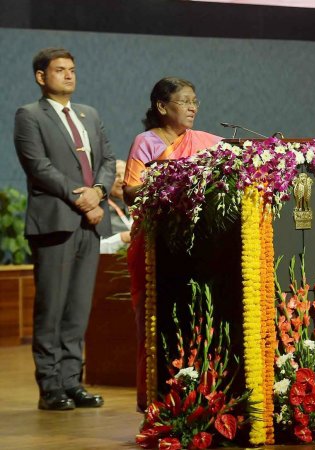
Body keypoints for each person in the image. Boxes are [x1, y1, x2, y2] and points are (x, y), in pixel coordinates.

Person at [14, 48, 115, 410]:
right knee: (51, 308)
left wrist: (100, 192)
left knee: (77, 309)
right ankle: (50, 386)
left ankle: (73, 382)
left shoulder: (89, 114)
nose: (69, 76)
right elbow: (38, 167)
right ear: (42, 76)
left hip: (89, 223)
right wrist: (83, 200)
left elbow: (107, 159)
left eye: (72, 69)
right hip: (56, 222)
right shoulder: (29, 115)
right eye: (60, 70)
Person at [124, 77, 223, 411]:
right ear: (162, 107)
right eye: (184, 101)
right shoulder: (146, 142)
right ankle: (154, 400)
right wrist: (169, 178)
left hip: (199, 249)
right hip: (157, 246)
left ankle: (199, 396)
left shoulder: (206, 142)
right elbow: (130, 191)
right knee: (154, 323)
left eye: (195, 100)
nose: (193, 107)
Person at [100, 160, 133, 254]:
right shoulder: (98, 210)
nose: (121, 180)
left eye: (125, 175)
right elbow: (92, 249)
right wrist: (121, 239)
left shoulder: (141, 208)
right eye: (116, 175)